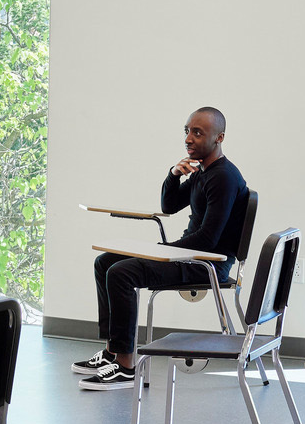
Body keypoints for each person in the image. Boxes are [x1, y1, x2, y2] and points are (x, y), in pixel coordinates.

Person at [75, 108, 250, 389]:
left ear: (219, 137)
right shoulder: (202, 171)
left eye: (197, 133)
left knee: (122, 273)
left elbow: (207, 239)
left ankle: (126, 367)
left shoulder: (224, 177)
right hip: (189, 255)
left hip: (208, 263)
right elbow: (169, 206)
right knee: (105, 262)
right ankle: (111, 353)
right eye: (187, 131)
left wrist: (165, 250)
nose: (188, 139)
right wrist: (173, 175)